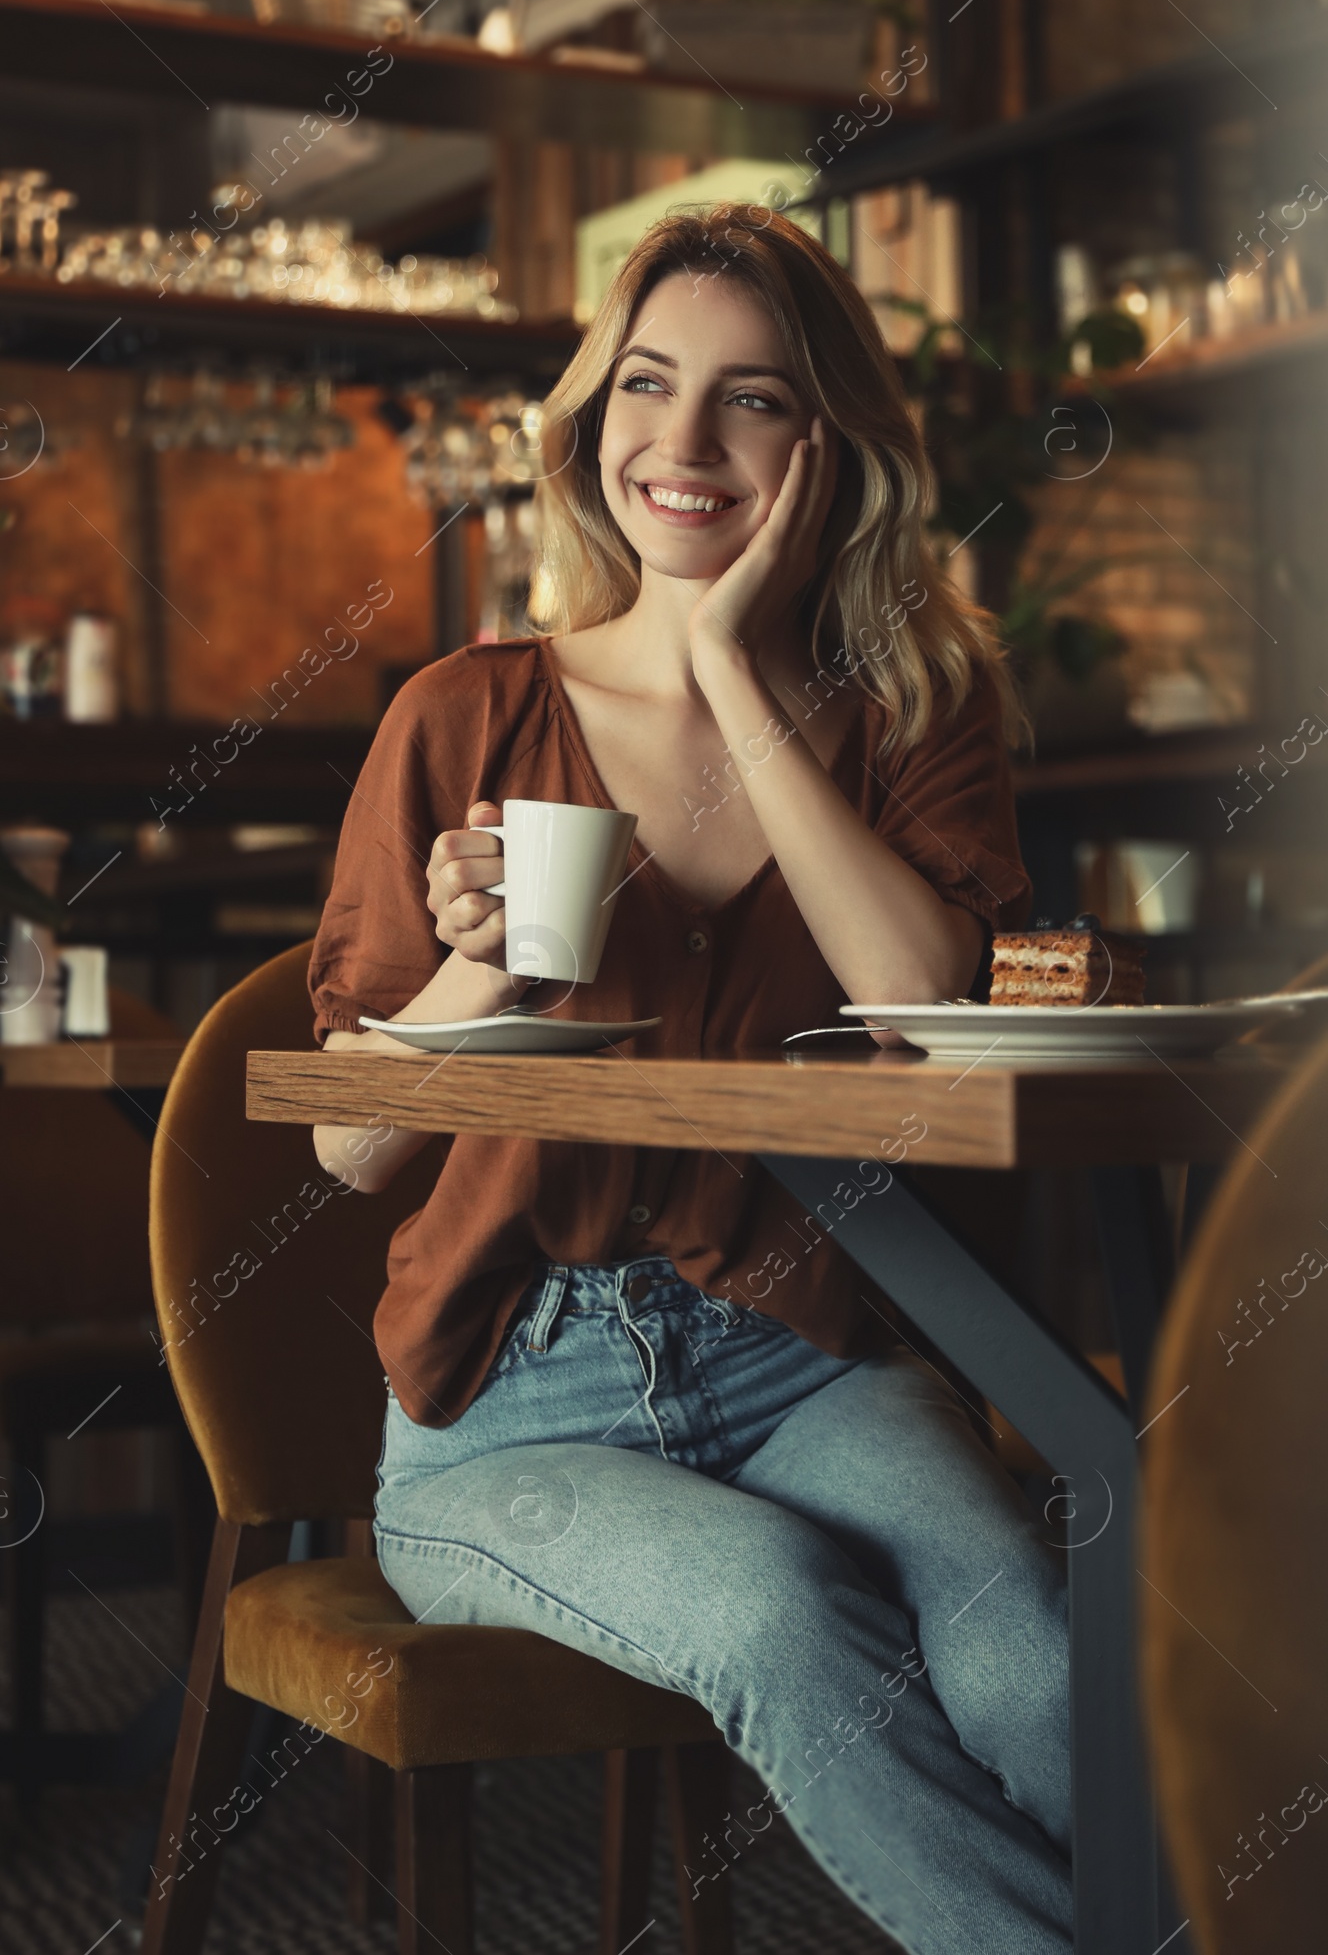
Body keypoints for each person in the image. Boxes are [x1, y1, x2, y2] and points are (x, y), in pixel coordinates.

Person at [308, 205, 1075, 1951]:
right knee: (785, 1614)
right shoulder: (463, 712)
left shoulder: (908, 706)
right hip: (507, 1405)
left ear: (829, 448)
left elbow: (917, 984)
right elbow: (353, 1145)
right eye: (648, 385)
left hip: (800, 1354)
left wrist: (726, 661)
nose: (685, 442)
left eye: (753, 401)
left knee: (1036, 1637)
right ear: (593, 418)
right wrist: (490, 956)